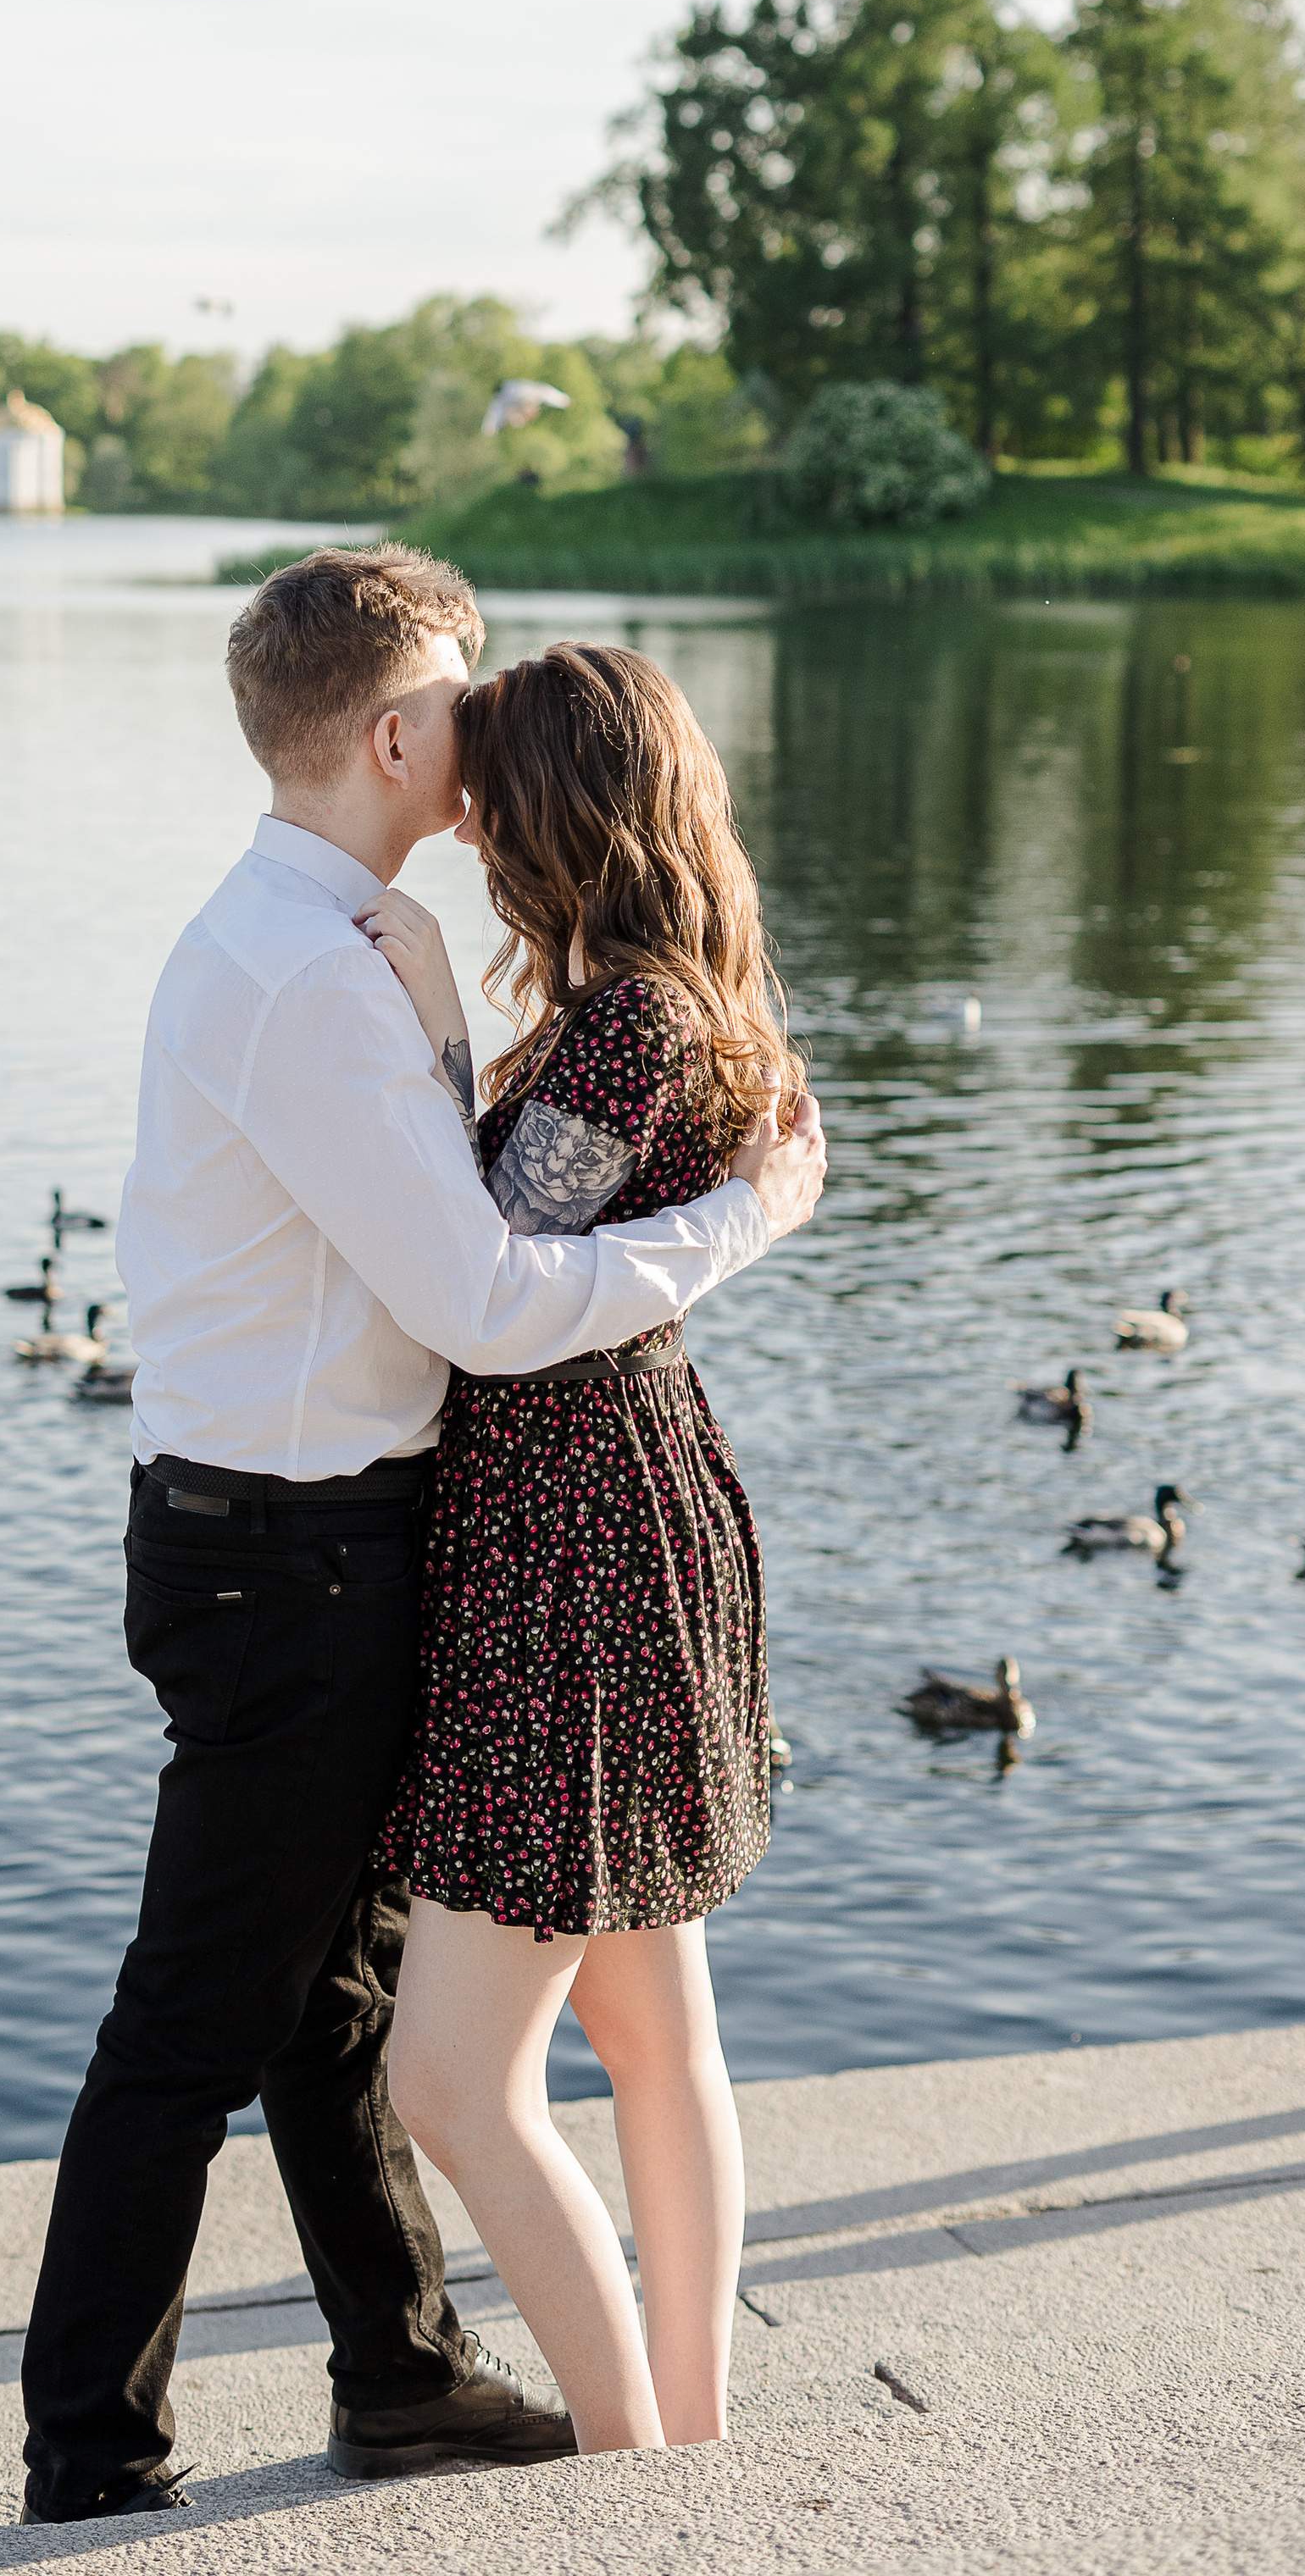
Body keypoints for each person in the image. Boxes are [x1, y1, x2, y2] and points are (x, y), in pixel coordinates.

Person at [18, 548, 826, 2523]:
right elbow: (481, 1294)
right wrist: (740, 1220)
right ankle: (95, 2456)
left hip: (387, 1537)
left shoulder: (376, 942)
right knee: (210, 2012)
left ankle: (408, 2378)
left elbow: (491, 1251)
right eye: (459, 704)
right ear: (393, 734)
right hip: (279, 1553)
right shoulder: (307, 972)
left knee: (347, 2003)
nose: (477, 745)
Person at [364, 640, 805, 2458]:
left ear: (555, 816)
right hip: (621, 1508)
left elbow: (485, 1268)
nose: (461, 832)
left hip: (577, 1544)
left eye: (486, 803)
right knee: (650, 2036)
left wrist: (430, 1032)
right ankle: (683, 2448)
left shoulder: (622, 1019)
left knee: (448, 2077)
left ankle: (631, 2457)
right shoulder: (671, 997)